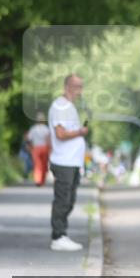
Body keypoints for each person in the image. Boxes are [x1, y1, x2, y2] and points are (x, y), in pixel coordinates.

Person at [47, 75, 88, 252]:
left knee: (69, 200)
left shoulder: (68, 106)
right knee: (63, 199)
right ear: (67, 86)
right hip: (63, 161)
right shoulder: (61, 106)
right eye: (76, 86)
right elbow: (61, 134)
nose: (79, 90)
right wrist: (80, 132)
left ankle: (62, 234)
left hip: (71, 162)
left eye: (81, 86)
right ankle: (58, 236)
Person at [26, 112, 51, 185]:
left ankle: (38, 180)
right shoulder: (46, 129)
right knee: (44, 164)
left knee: (37, 165)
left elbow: (29, 139)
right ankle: (42, 180)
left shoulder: (33, 129)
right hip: (44, 148)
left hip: (36, 148)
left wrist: (30, 147)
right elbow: (48, 139)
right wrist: (50, 148)